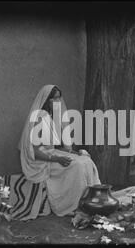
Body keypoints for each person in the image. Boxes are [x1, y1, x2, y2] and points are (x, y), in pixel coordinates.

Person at [18, 84, 101, 216]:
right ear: (46, 100)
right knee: (77, 166)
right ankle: (70, 205)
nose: (57, 102)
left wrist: (74, 152)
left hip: (51, 154)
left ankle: (92, 200)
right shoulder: (40, 117)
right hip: (40, 162)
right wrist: (58, 159)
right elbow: (35, 151)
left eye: (58, 98)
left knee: (86, 160)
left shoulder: (50, 117)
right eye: (53, 99)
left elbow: (53, 147)